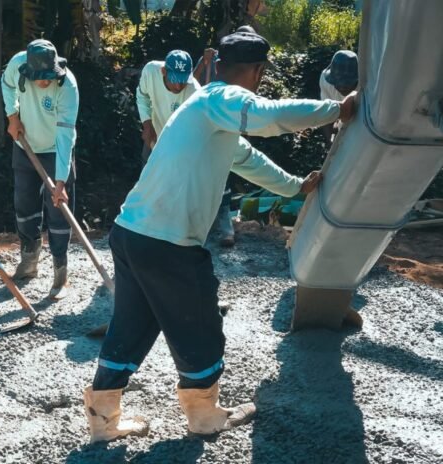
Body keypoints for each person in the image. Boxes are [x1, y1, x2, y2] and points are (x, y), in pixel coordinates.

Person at [83, 30, 357, 442]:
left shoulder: (203, 110)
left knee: (131, 325)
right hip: (168, 244)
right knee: (200, 326)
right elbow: (268, 117)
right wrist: (336, 110)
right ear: (258, 71)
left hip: (131, 233)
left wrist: (295, 186)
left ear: (215, 63)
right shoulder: (221, 100)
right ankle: (205, 415)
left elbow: (246, 158)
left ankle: (102, 418)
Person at [1, 39, 79, 299]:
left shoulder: (67, 86)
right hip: (25, 147)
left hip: (56, 150)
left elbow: (66, 134)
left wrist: (60, 182)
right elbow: (7, 84)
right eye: (40, 78)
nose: (45, 82)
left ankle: (60, 273)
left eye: (49, 76)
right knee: (24, 205)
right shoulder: (16, 65)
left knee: (59, 212)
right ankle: (29, 260)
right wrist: (12, 116)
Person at [193, 25, 257, 248]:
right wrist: (204, 62)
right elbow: (194, 86)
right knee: (209, 181)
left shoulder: (249, 68)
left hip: (231, 129)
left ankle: (225, 229)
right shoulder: (222, 63)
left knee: (225, 180)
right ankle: (203, 227)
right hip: (211, 130)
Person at [137, 50, 200, 164]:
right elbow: (142, 96)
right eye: (174, 79)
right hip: (154, 134)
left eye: (183, 80)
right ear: (164, 71)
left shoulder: (195, 93)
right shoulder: (150, 71)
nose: (178, 86)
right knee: (147, 170)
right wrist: (147, 124)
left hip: (180, 146)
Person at [319, 50, 359, 141]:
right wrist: (331, 142)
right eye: (337, 83)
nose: (341, 87)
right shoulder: (325, 81)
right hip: (343, 132)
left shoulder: (369, 86)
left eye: (346, 84)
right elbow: (326, 114)